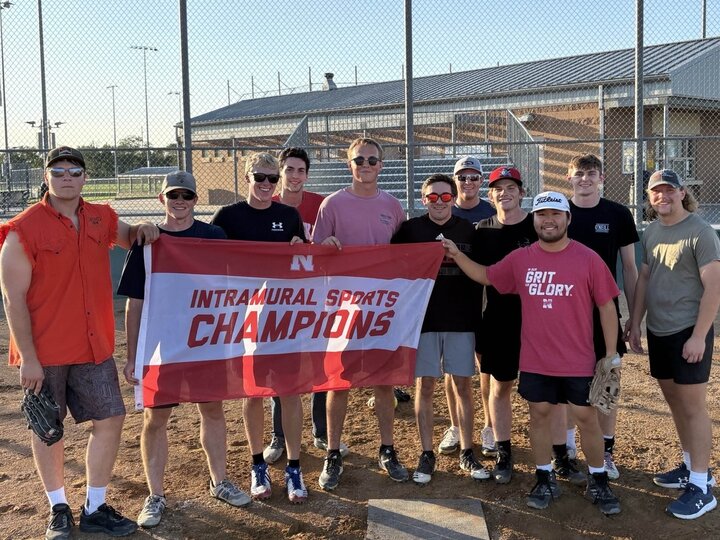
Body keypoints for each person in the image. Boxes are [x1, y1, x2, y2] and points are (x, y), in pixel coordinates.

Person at [0, 146, 160, 539]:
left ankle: (94, 505)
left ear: (84, 177)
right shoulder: (24, 228)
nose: (67, 178)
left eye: (74, 171)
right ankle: (58, 508)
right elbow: (12, 299)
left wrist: (143, 228)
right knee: (47, 429)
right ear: (46, 178)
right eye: (59, 172)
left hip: (94, 347)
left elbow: (130, 238)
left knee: (110, 419)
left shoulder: (100, 217)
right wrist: (30, 359)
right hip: (45, 351)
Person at [443, 191, 622, 515]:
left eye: (555, 214)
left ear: (567, 219)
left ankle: (598, 479)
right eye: (542, 215)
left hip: (577, 360)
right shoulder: (522, 258)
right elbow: (486, 275)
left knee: (585, 418)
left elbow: (607, 306)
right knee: (538, 417)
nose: (548, 220)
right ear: (534, 219)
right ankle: (544, 477)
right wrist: (456, 254)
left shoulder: (587, 258)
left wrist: (610, 354)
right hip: (537, 360)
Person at [117, 171, 250, 528]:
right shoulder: (148, 242)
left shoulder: (213, 236)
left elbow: (234, 287)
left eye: (187, 196)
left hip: (204, 341)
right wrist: (133, 356)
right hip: (162, 344)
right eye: (173, 195)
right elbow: (135, 304)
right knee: (156, 418)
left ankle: (219, 480)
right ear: (162, 199)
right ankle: (156, 494)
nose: (180, 201)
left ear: (195, 200)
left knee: (213, 409)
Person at [211, 152, 308, 504]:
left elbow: (302, 263)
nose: (266, 184)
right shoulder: (228, 216)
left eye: (272, 178)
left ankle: (295, 468)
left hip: (283, 319)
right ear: (247, 176)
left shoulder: (289, 215)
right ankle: (257, 466)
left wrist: (307, 247)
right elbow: (199, 255)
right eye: (259, 177)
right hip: (244, 319)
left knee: (289, 392)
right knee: (252, 392)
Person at [313, 137, 407, 490]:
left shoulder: (393, 206)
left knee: (384, 382)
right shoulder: (332, 204)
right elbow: (316, 253)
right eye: (358, 160)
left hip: (382, 308)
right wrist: (325, 248)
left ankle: (387, 448)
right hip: (343, 308)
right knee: (339, 383)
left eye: (372, 160)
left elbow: (401, 255)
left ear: (381, 165)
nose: (365, 165)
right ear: (348, 164)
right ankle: (333, 452)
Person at [629, 169, 720, 520]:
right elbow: (646, 277)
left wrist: (699, 336)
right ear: (649, 197)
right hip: (660, 330)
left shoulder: (699, 232)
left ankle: (701, 486)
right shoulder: (652, 230)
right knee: (675, 401)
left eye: (669, 190)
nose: (662, 196)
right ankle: (688, 465)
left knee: (693, 407)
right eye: (656, 191)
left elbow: (713, 287)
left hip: (688, 331)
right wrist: (635, 322)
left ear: (682, 192)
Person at [391, 174, 489, 484]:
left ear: (453, 198)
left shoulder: (468, 231)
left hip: (462, 319)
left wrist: (455, 254)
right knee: (426, 385)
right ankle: (426, 452)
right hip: (424, 321)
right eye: (433, 197)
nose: (439, 202)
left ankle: (467, 450)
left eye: (446, 197)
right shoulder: (410, 230)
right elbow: (392, 267)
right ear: (424, 200)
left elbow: (483, 272)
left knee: (462, 385)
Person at [552, 154, 639, 482]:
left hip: (605, 314)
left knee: (606, 382)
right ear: (569, 177)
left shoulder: (618, 214)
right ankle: (570, 446)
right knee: (565, 383)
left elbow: (629, 269)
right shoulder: (558, 213)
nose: (585, 179)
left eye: (591, 173)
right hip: (563, 315)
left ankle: (606, 450)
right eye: (579, 174)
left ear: (601, 176)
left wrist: (633, 316)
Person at [263, 147, 349, 464]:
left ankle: (321, 431)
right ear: (280, 173)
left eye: (300, 170)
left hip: (316, 298)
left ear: (307, 174)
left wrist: (323, 246)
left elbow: (332, 244)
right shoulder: (267, 205)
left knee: (320, 365)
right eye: (289, 170)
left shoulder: (320, 204)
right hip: (277, 300)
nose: (295, 176)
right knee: (280, 368)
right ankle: (279, 435)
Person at [474, 166, 536, 484]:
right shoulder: (481, 229)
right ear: (491, 194)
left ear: (522, 192)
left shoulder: (538, 225)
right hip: (498, 319)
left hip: (538, 320)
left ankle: (558, 453)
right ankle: (504, 450)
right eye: (498, 187)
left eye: (512, 187)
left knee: (545, 391)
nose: (505, 192)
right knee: (501, 387)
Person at [441, 156, 497, 458]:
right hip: (455, 299)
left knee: (485, 367)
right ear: (455, 181)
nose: (468, 182)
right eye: (462, 177)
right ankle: (455, 426)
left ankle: (489, 428)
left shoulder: (491, 211)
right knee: (454, 370)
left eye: (474, 177)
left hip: (487, 298)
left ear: (481, 181)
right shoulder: (446, 210)